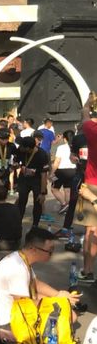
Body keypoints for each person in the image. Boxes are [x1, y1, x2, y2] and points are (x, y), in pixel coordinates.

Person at [0, 227, 79, 328]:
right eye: (50, 250)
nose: (51, 254)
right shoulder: (17, 268)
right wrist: (57, 301)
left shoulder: (20, 257)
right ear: (33, 249)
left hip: (16, 305)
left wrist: (59, 294)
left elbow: (36, 283)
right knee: (70, 316)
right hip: (9, 320)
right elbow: (24, 304)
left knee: (62, 306)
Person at [78, 95, 97, 283]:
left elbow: (84, 113)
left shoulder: (92, 129)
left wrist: (88, 104)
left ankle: (87, 271)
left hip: (92, 184)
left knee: (91, 231)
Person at [13, 136, 50, 228]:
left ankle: (35, 225)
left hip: (37, 180)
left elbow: (43, 175)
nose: (20, 148)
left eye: (22, 147)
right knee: (21, 201)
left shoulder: (42, 154)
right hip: (24, 179)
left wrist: (43, 192)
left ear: (28, 148)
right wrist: (16, 165)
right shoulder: (20, 150)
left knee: (37, 203)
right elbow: (16, 161)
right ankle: (17, 222)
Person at [52, 130, 78, 213]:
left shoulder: (61, 147)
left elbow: (57, 161)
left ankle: (64, 204)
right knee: (67, 190)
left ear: (65, 139)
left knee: (54, 189)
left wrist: (52, 172)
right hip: (73, 171)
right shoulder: (76, 147)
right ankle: (68, 209)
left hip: (61, 171)